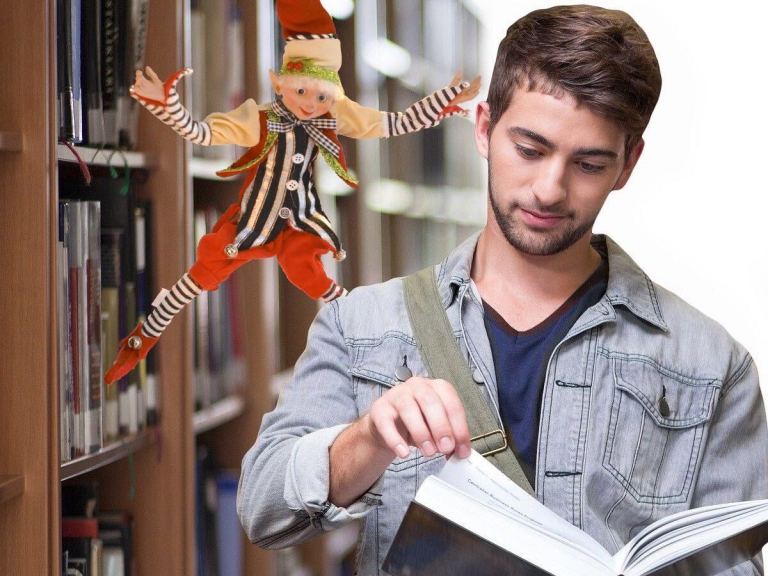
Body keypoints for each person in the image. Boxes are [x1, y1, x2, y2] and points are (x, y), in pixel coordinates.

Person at [237, 4, 768, 575]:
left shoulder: (713, 364)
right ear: (485, 128)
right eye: (531, 149)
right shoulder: (362, 325)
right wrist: (367, 438)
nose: (549, 189)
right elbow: (263, 508)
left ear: (627, 164)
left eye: (588, 164)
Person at [103, 0, 479, 385]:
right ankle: (141, 338)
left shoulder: (333, 115)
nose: (310, 104)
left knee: (321, 283)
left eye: (321, 97)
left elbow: (392, 123)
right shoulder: (260, 118)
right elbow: (203, 133)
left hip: (299, 225)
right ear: (279, 82)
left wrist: (438, 103)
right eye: (301, 91)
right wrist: (169, 108)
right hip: (250, 224)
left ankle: (376, 350)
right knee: (199, 275)